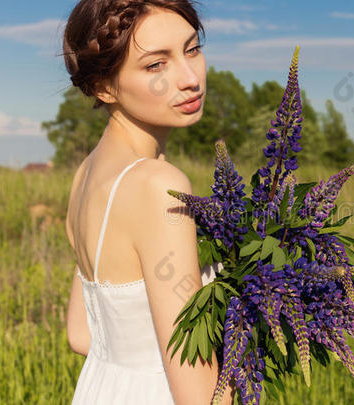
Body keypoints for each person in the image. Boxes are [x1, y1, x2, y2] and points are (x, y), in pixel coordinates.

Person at [62, 1, 234, 403]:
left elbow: (81, 333)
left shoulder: (86, 174)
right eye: (156, 65)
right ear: (104, 86)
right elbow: (198, 396)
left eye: (192, 49)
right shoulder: (159, 185)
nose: (190, 78)